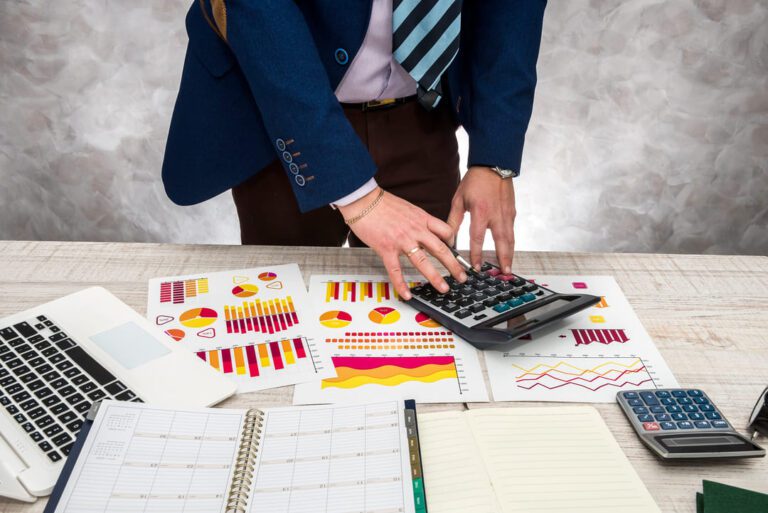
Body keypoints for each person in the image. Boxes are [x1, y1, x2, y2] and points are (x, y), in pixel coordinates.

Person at [162, 0, 547, 299]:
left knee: (428, 311)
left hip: (421, 119)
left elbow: (513, 10)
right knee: (282, 311)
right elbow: (259, 11)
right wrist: (358, 195)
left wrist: (493, 158)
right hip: (287, 120)